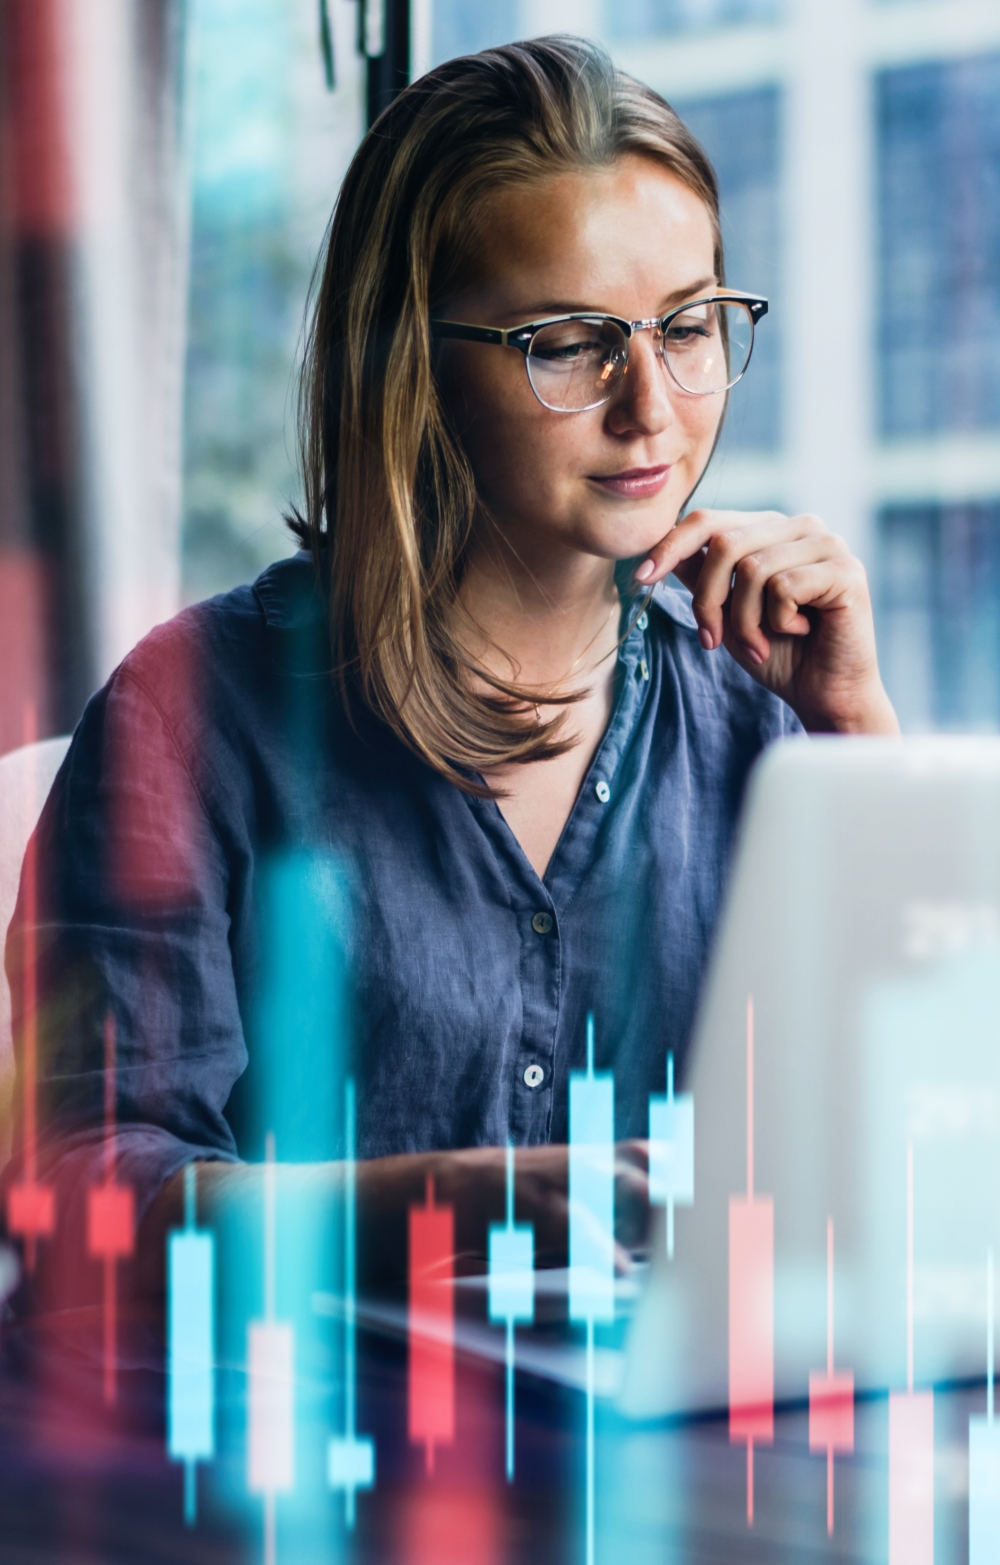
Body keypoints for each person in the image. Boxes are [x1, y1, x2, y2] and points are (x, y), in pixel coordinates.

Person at [4, 37, 898, 1302]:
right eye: (568, 341)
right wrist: (429, 1210)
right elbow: (79, 1192)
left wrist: (857, 728)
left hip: (626, 1446)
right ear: (411, 361)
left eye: (689, 326)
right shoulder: (194, 710)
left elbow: (922, 1139)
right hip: (249, 1465)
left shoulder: (758, 704)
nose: (653, 405)